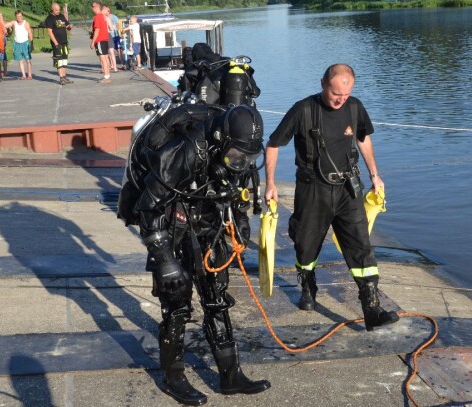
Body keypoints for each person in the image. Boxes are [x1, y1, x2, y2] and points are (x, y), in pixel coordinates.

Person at [118, 99, 271, 405]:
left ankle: (230, 375)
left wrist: (239, 222)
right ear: (220, 142)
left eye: (247, 157)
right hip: (172, 223)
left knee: (217, 298)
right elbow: (148, 207)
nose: (241, 161)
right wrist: (164, 260)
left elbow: (238, 188)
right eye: (236, 156)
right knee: (176, 304)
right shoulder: (183, 152)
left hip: (208, 219)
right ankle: (173, 378)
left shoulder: (237, 151)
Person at [264, 64, 400, 332]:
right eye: (336, 94)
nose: (340, 100)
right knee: (305, 245)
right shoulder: (303, 110)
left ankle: (372, 309)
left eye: (345, 95)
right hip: (313, 190)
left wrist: (375, 174)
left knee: (360, 245)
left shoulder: (355, 107)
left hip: (349, 190)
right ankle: (307, 285)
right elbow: (273, 144)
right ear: (323, 84)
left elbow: (363, 140)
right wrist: (269, 183)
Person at [45, 3, 73, 85]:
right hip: (57, 43)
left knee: (64, 60)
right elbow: (49, 32)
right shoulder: (49, 18)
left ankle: (64, 76)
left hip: (64, 42)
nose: (58, 11)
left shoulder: (61, 16)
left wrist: (70, 26)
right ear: (52, 9)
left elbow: (67, 26)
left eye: (59, 9)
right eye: (56, 10)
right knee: (59, 60)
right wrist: (56, 43)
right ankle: (61, 78)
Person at [3, 10, 33, 80]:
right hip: (17, 44)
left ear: (22, 16)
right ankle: (23, 75)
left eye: (20, 16)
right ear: (16, 17)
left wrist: (32, 43)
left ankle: (29, 74)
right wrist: (0, 19)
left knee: (28, 60)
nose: (19, 18)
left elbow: (30, 33)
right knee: (20, 60)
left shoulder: (26, 23)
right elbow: (6, 25)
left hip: (25, 43)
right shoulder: (14, 22)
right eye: (17, 16)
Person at [90, 1, 111, 84]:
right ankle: (107, 75)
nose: (92, 8)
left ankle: (106, 76)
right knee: (105, 58)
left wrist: (93, 42)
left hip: (100, 40)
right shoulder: (103, 16)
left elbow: (97, 30)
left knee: (103, 59)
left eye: (93, 6)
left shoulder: (97, 17)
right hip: (105, 40)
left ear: (97, 7)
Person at [102, 5, 120, 73]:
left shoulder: (98, 17)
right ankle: (115, 68)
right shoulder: (107, 18)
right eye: (107, 10)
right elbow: (112, 28)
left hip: (102, 37)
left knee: (105, 53)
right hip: (108, 35)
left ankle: (107, 68)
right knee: (112, 52)